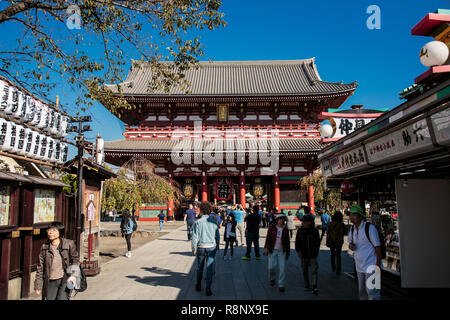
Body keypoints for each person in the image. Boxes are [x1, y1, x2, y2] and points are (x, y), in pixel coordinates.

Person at [35, 222, 80, 300]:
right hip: (50, 280)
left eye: (54, 230)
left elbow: (75, 260)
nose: (50, 232)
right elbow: (40, 267)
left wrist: (73, 276)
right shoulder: (45, 247)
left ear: (60, 232)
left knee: (62, 298)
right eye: (49, 230)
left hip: (65, 278)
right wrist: (38, 285)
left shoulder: (69, 244)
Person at [348, 204, 382, 300]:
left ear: (360, 215)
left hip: (371, 265)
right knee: (361, 292)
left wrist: (377, 264)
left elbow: (377, 246)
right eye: (350, 215)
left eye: (354, 215)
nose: (351, 217)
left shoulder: (370, 228)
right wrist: (351, 246)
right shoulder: (352, 229)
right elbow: (351, 244)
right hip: (359, 266)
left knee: (372, 293)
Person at [191, 201, 220, 296]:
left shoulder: (197, 222)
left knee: (200, 266)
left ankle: (198, 284)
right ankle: (208, 288)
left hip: (201, 247)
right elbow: (217, 235)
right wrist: (218, 244)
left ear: (202, 211)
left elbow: (194, 236)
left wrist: (193, 248)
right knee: (209, 267)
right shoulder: (214, 221)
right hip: (211, 246)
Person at [264, 214, 290, 292]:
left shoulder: (285, 229)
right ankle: (272, 279)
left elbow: (287, 241)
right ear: (277, 219)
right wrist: (266, 247)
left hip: (282, 250)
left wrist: (287, 252)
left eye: (283, 219)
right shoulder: (272, 228)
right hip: (272, 249)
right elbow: (268, 237)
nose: (282, 220)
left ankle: (281, 284)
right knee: (271, 267)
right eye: (280, 218)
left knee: (282, 268)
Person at [295, 214, 321, 295]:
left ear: (309, 222)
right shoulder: (300, 231)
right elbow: (297, 242)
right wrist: (298, 251)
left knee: (314, 270)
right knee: (304, 270)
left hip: (313, 254)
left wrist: (316, 251)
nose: (302, 223)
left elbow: (318, 242)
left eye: (304, 221)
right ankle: (307, 284)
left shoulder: (315, 231)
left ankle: (314, 285)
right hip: (304, 253)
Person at [326, 210, 346, 275]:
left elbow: (327, 232)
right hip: (339, 241)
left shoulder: (330, 224)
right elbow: (345, 233)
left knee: (332, 254)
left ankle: (333, 267)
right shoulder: (342, 224)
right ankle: (338, 269)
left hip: (332, 240)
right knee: (338, 255)